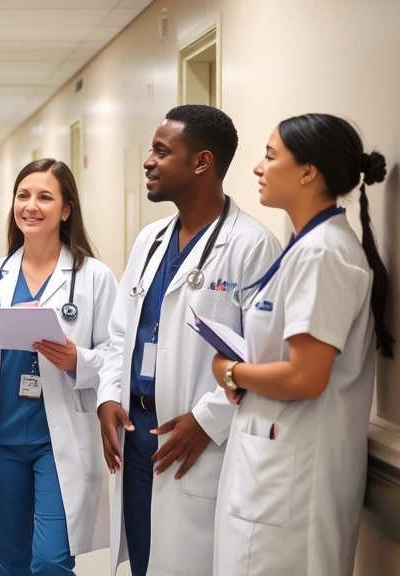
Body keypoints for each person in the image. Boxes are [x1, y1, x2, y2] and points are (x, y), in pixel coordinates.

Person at [96, 105, 281, 576]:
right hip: (137, 432)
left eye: (161, 151)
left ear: (202, 162)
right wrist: (108, 397)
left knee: (186, 562)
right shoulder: (150, 240)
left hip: (195, 440)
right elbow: (122, 332)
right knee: (142, 556)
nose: (148, 161)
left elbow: (263, 355)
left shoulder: (251, 246)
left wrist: (206, 420)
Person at [211, 114, 394, 576]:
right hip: (276, 464)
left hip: (294, 478)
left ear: (308, 172)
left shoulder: (323, 253)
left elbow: (306, 377)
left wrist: (230, 372)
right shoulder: (305, 245)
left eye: (271, 156)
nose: (258, 167)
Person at [0, 159, 116, 575]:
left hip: (59, 436)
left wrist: (76, 360)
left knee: (50, 560)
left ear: (66, 209)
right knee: (7, 560)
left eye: (45, 197)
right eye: (23, 195)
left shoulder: (94, 278)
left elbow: (116, 354)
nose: (31, 205)